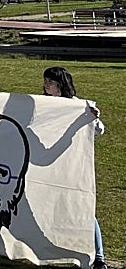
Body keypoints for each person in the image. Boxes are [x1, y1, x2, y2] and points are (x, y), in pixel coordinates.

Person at [42, 66, 105, 269]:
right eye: (45, 81)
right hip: (49, 166)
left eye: (49, 81)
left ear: (60, 83)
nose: (46, 85)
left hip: (73, 167)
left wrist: (93, 118)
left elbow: (99, 131)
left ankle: (99, 257)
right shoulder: (43, 104)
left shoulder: (77, 106)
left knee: (85, 211)